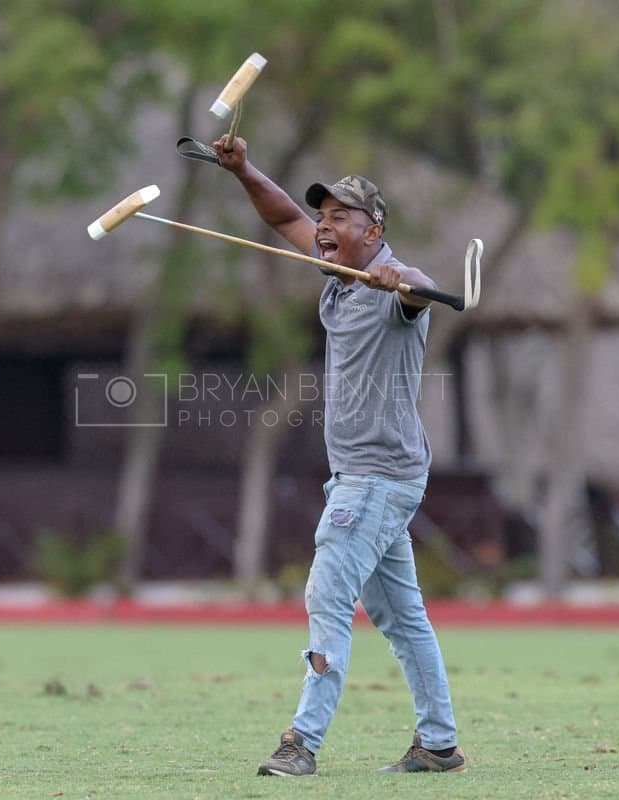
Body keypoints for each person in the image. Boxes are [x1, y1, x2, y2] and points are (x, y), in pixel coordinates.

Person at [215, 135, 467, 776]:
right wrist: (243, 169)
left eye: (340, 218)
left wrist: (399, 277)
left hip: (377, 479)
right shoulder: (340, 278)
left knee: (327, 598)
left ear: (374, 230)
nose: (323, 228)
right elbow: (279, 216)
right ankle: (439, 744)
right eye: (323, 217)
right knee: (400, 616)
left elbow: (419, 288)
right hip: (368, 476)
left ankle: (301, 744)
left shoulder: (393, 287)